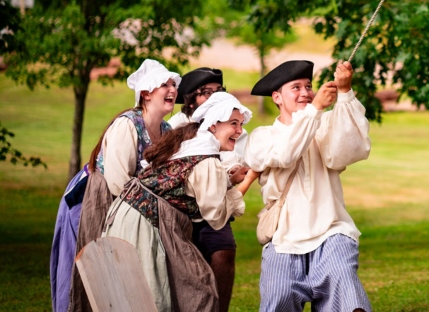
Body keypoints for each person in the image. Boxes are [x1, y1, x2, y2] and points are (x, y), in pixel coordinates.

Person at [102, 92, 253, 312]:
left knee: (176, 290)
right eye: (233, 123)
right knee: (159, 297)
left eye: (240, 124)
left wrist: (229, 180)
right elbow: (216, 215)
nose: (239, 131)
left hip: (137, 217)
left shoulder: (194, 143)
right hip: (143, 223)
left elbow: (192, 185)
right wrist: (249, 180)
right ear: (212, 125)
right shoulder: (204, 155)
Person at [51, 58, 181, 312]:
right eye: (164, 84)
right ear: (145, 92)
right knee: (94, 265)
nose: (173, 90)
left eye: (173, 84)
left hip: (132, 203)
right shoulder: (127, 124)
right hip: (97, 199)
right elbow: (118, 181)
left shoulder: (166, 130)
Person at [244, 60, 372, 312]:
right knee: (278, 299)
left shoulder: (323, 124)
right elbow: (285, 154)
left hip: (331, 230)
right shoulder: (261, 137)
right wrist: (314, 109)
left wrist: (345, 92)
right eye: (296, 87)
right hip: (283, 239)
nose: (305, 92)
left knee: (346, 293)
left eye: (309, 86)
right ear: (277, 97)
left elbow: (347, 152)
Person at [167, 67, 251, 311]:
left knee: (224, 251)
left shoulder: (230, 128)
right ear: (190, 99)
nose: (214, 97)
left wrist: (234, 179)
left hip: (216, 206)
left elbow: (235, 165)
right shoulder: (176, 127)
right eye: (206, 92)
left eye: (218, 91)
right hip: (179, 210)